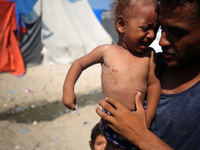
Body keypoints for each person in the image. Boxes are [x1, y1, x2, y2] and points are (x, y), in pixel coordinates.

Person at [96, 0, 200, 149]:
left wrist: (140, 136)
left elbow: (132, 129)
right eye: (161, 29)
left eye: (177, 33)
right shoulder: (147, 62)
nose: (162, 41)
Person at [62, 0, 160, 149]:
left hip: (139, 123)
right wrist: (68, 89)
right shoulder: (106, 51)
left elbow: (154, 86)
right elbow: (79, 64)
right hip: (111, 123)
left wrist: (146, 120)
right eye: (145, 28)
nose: (151, 35)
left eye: (156, 29)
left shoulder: (149, 55)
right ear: (121, 25)